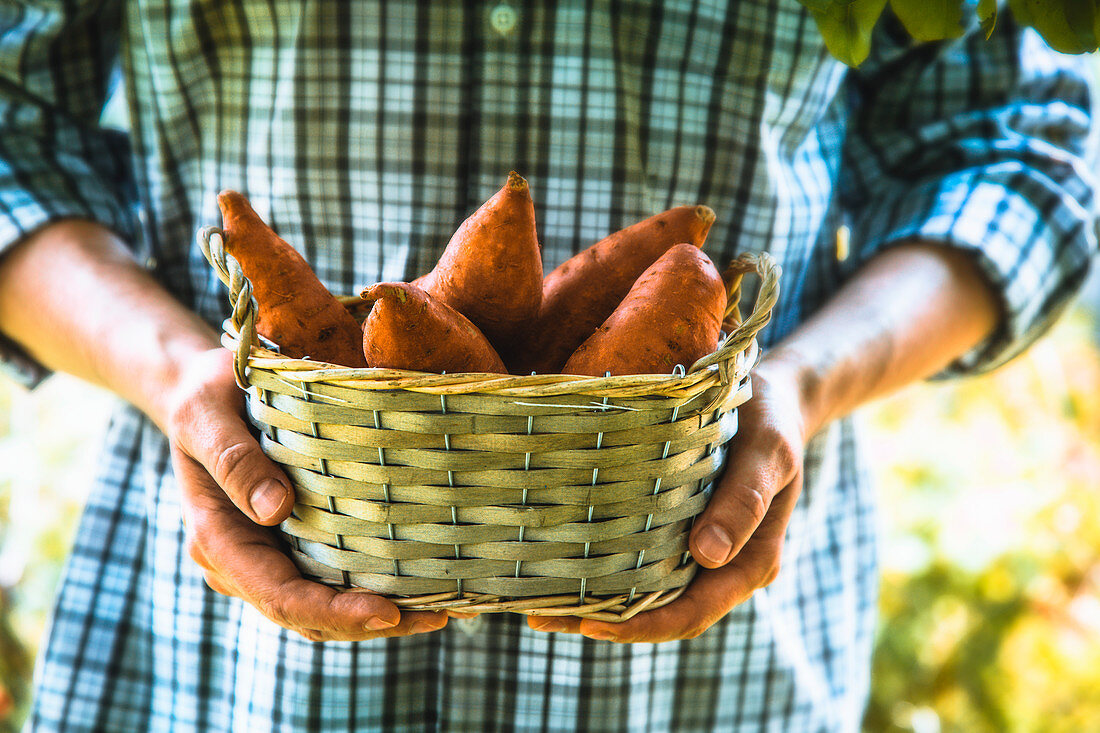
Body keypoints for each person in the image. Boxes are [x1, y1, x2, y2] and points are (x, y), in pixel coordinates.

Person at [0, 2, 1095, 731]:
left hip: (712, 677)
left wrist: (804, 380)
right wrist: (176, 373)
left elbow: (1012, 150)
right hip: (222, 673)